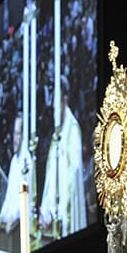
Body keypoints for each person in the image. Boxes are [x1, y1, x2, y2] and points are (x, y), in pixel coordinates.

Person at [39, 76, 87, 237]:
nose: (53, 109)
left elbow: (73, 176)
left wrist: (57, 211)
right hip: (52, 216)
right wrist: (45, 208)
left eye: (55, 103)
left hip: (66, 215)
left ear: (64, 100)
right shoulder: (57, 133)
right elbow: (50, 174)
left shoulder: (72, 130)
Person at [0, 112, 33, 233]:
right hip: (9, 221)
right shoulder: (13, 161)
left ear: (23, 136)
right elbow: (9, 195)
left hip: (21, 224)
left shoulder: (28, 162)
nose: (14, 139)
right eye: (14, 133)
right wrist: (2, 215)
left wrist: (14, 217)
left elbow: (26, 199)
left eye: (17, 134)